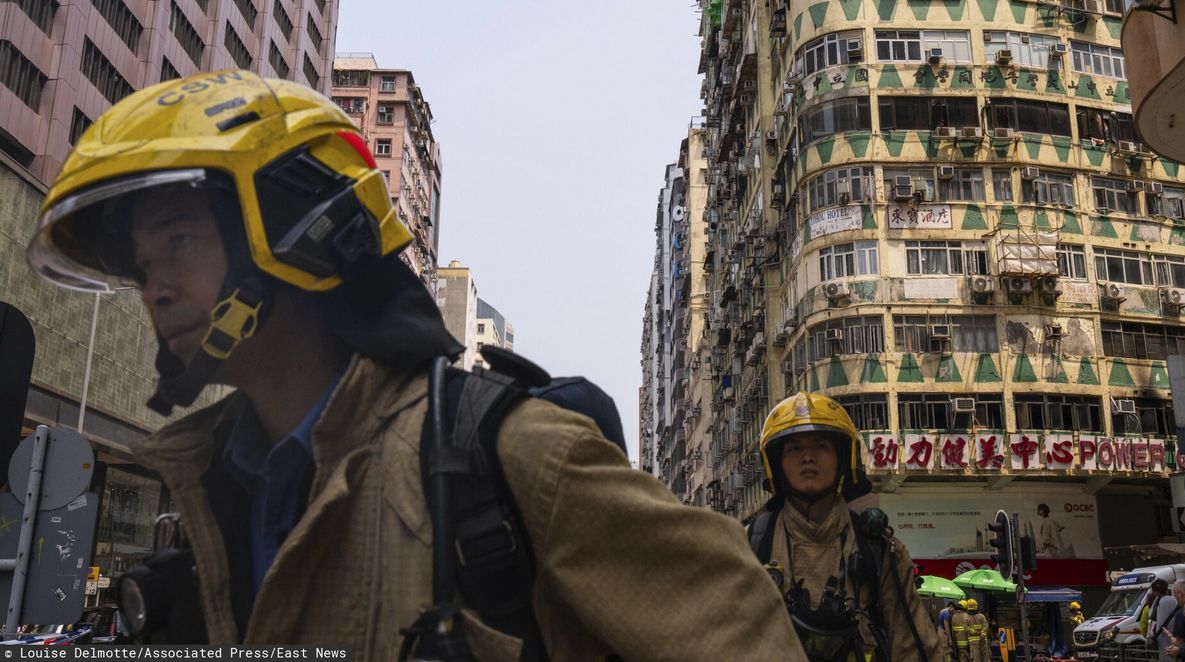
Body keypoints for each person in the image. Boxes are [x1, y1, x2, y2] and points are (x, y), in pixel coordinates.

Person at [26, 72, 809, 661]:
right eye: (141, 262)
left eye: (181, 241)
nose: (156, 288)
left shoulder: (509, 453)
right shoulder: (209, 486)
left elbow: (742, 625)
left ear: (299, 230)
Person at [751, 391, 940, 661]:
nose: (808, 457)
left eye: (821, 446)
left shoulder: (879, 549)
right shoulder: (752, 544)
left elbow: (913, 646)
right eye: (794, 448)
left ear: (843, 457)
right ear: (776, 464)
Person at [1148, 578, 1179, 654]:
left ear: (1154, 591)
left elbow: (1151, 622)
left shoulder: (1156, 602)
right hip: (1176, 637)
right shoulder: (1175, 599)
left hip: (1161, 639)